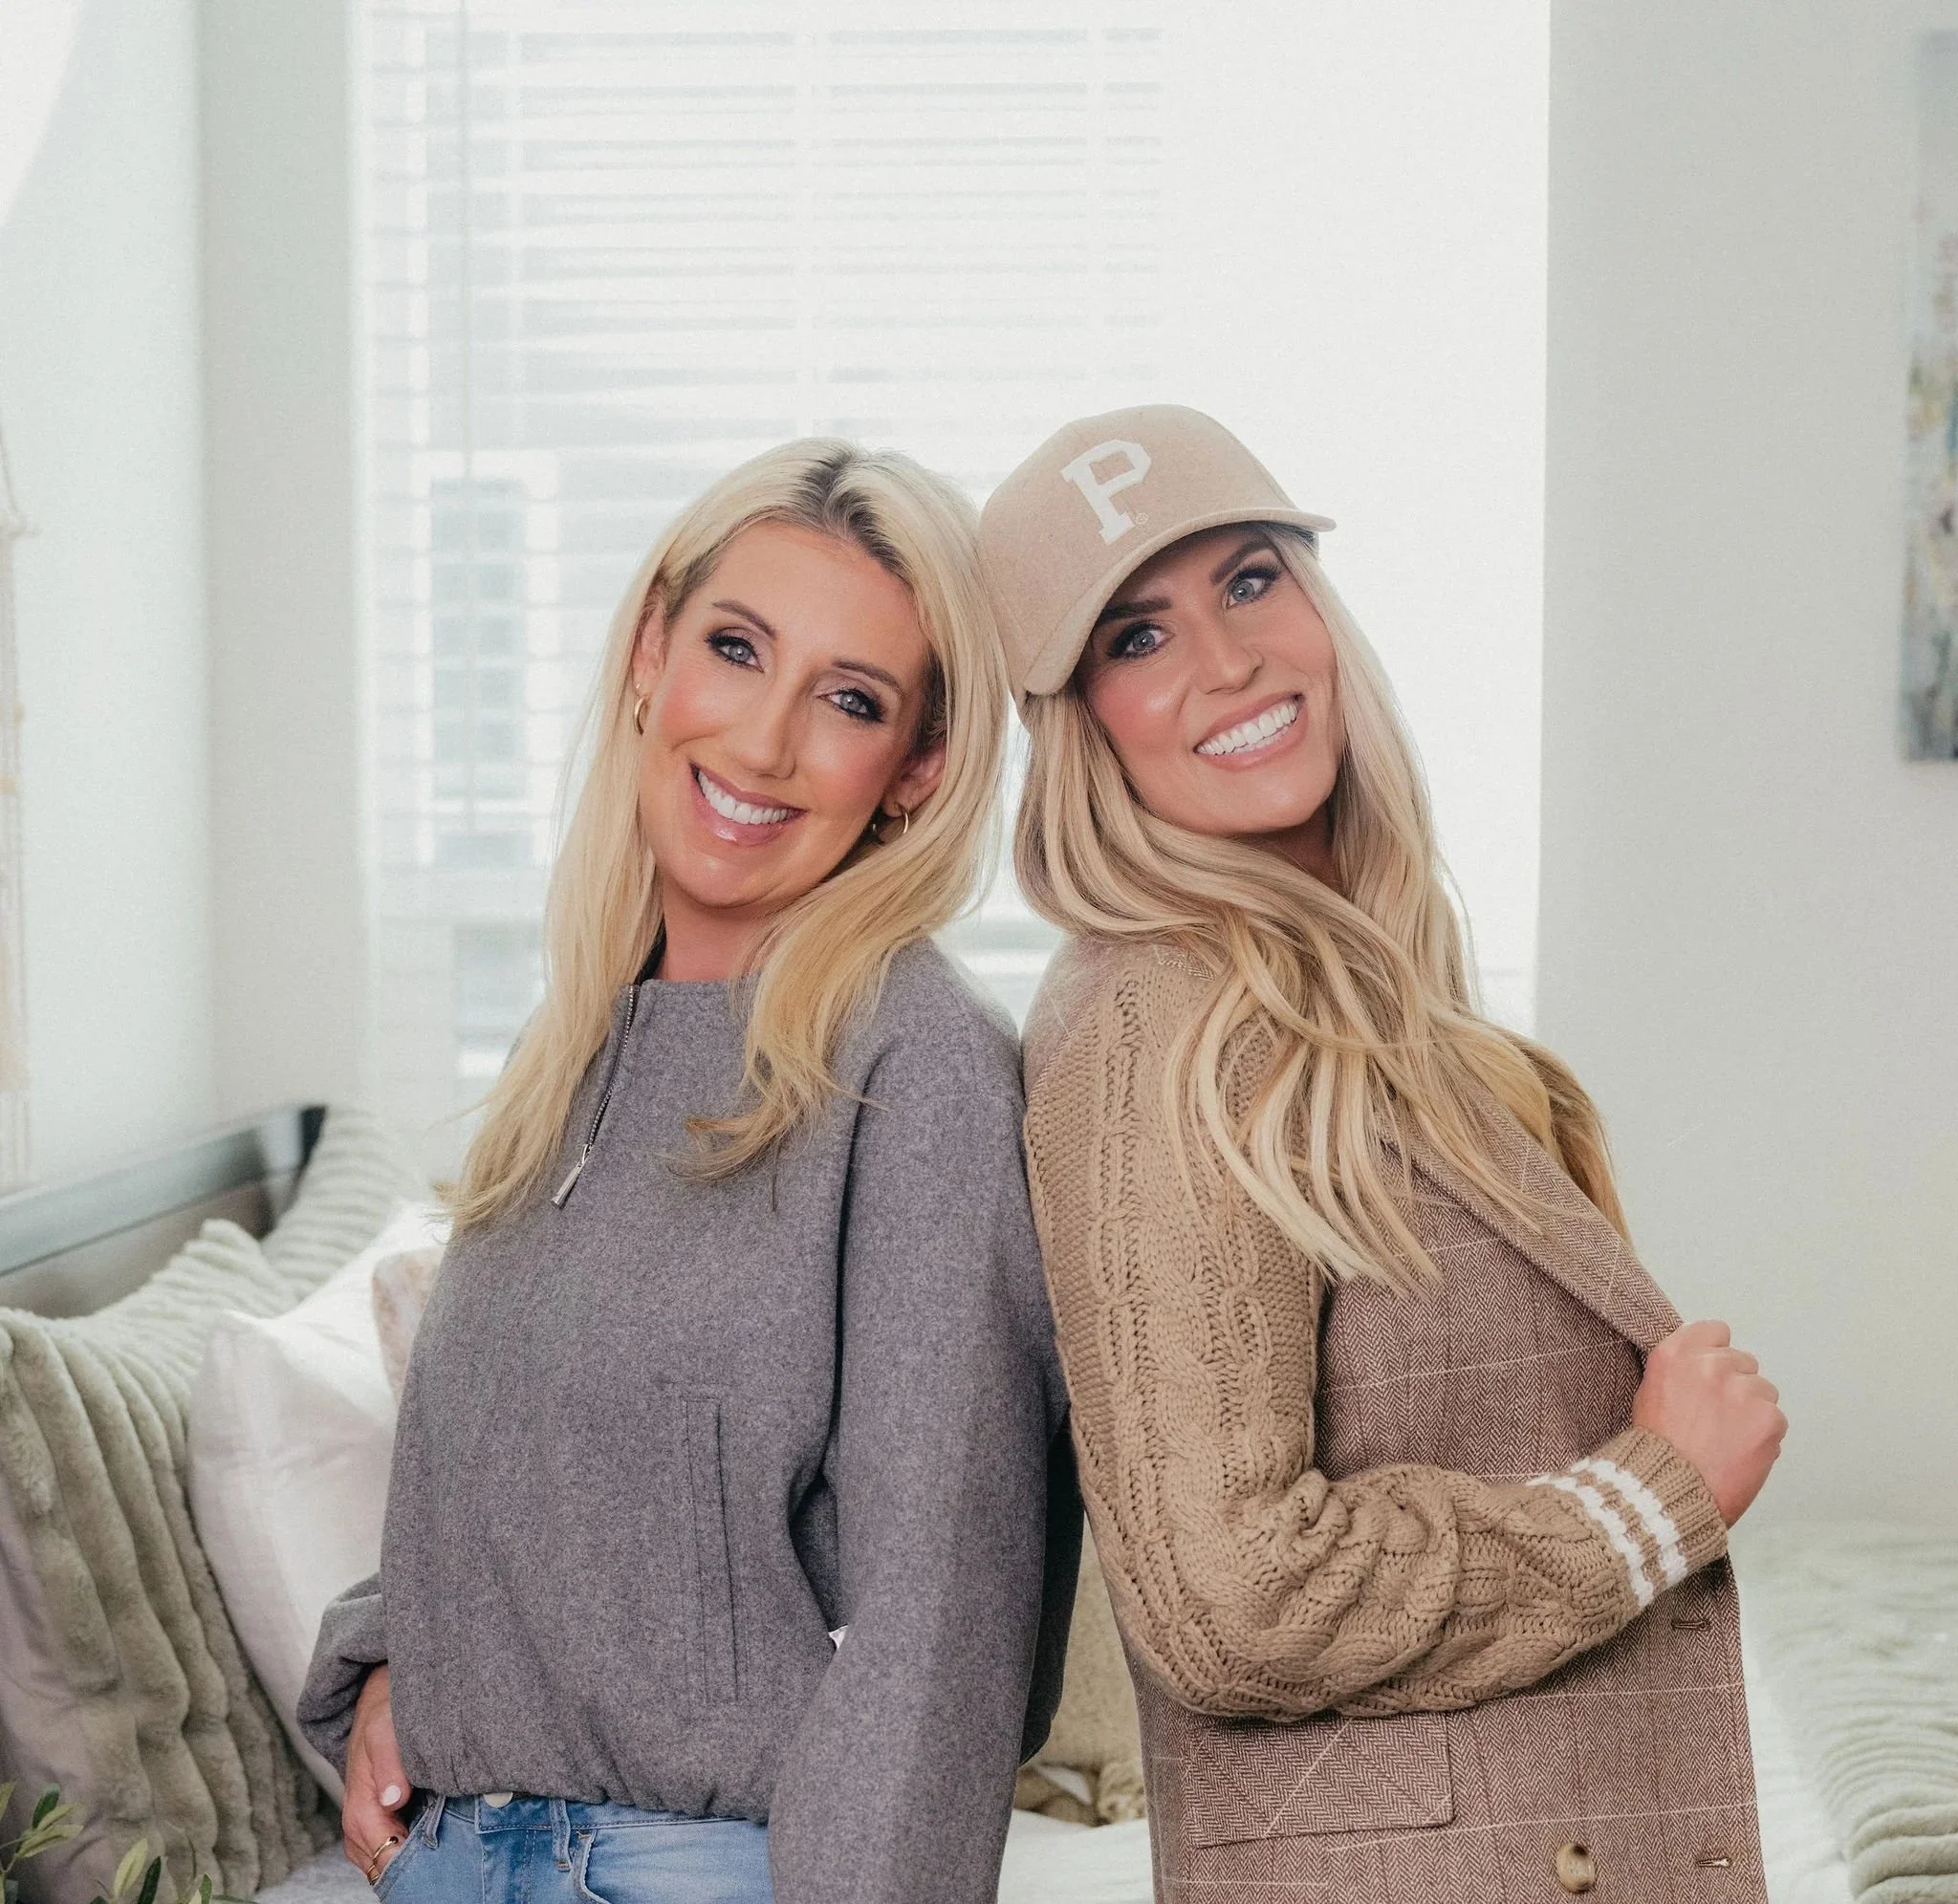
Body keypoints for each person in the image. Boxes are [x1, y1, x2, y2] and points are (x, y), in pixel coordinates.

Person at [978, 405, 1787, 1904]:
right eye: (1136, 640)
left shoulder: (1347, 984)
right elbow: (1228, 1599)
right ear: (1076, 724)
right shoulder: (1159, 1019)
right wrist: (1647, 1495)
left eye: (1249, 578)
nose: (1227, 662)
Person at [298, 441, 1079, 1904]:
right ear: (653, 650)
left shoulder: (919, 1070)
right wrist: (408, 1656)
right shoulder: (579, 1037)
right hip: (457, 1860)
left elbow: (944, 1622)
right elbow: (521, 1457)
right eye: (737, 650)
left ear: (914, 768)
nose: (767, 742)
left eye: (849, 699)